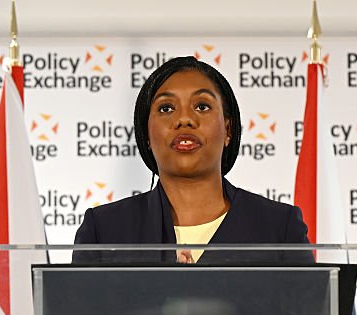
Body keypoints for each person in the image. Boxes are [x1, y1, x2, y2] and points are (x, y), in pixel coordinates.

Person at [72, 56, 312, 263]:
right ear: (146, 135)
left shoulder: (279, 227)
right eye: (166, 108)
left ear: (228, 130)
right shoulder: (104, 230)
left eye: (202, 106)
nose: (184, 119)